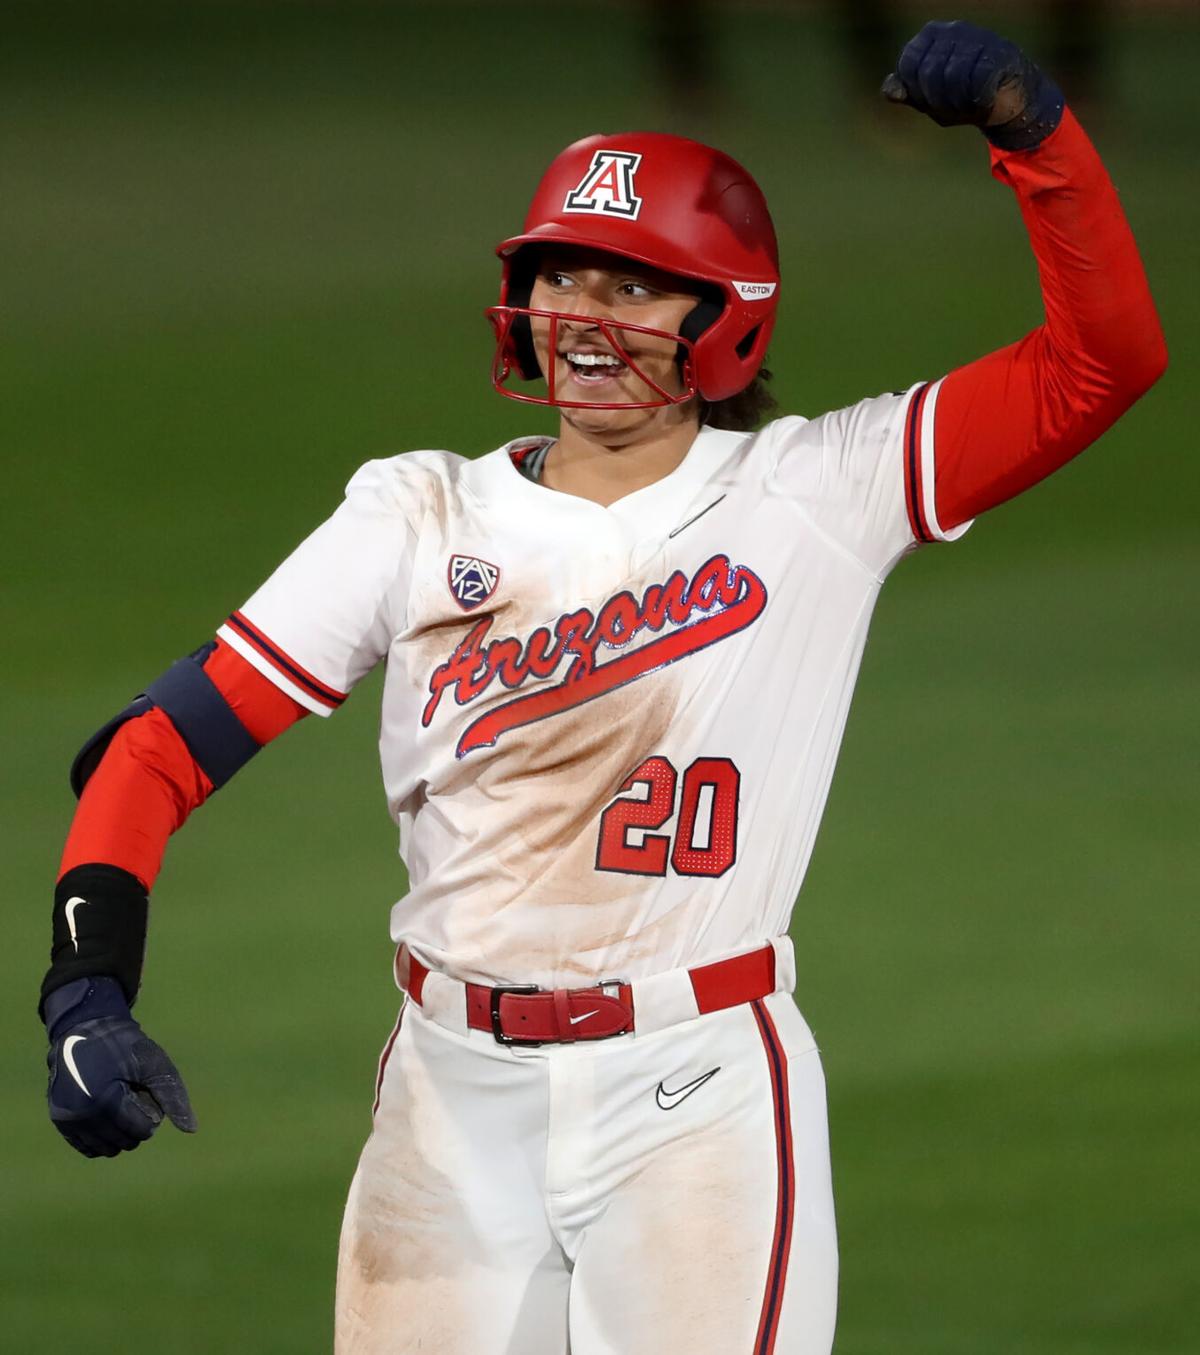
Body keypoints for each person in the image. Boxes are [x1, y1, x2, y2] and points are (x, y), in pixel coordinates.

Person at [40, 20, 1165, 1355]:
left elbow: (1106, 362)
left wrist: (1035, 137)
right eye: (563, 276)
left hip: (693, 1102)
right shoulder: (415, 514)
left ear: (727, 317)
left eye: (633, 287)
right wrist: (85, 987)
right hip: (445, 1107)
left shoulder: (823, 492)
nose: (583, 315)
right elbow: (159, 748)